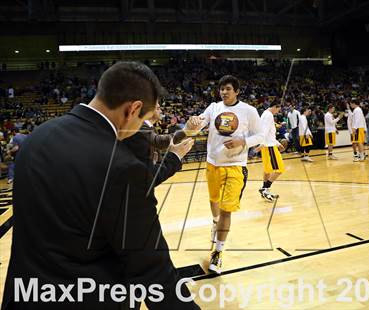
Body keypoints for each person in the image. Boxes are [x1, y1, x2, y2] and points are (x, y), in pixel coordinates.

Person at [2, 62, 199, 310]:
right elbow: (153, 273)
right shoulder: (123, 167)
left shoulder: (38, 136)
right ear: (133, 109)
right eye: (144, 119)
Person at [186, 75, 263, 274]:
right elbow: (200, 122)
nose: (224, 92)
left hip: (236, 165)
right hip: (213, 163)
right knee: (214, 201)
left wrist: (242, 142)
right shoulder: (213, 108)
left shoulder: (249, 111)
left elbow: (261, 135)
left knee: (226, 209)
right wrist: (194, 121)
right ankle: (215, 223)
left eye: (228, 88)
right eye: (221, 89)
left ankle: (218, 253)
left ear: (237, 91)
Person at [256, 102, 285, 201]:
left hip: (268, 145)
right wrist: (262, 143)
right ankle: (266, 189)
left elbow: (268, 133)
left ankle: (265, 190)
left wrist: (277, 143)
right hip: (269, 146)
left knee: (267, 170)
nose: (278, 112)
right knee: (279, 169)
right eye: (278, 109)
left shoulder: (265, 114)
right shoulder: (268, 115)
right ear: (274, 107)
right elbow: (264, 131)